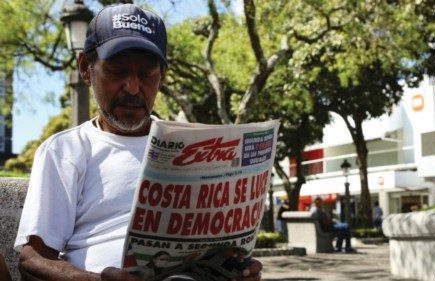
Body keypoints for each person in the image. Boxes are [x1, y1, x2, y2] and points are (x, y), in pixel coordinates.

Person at [14, 4, 262, 281]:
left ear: (162, 76)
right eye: (117, 71)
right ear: (86, 68)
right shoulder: (66, 151)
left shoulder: (197, 146)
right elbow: (32, 258)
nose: (133, 87)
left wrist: (239, 269)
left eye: (146, 75)